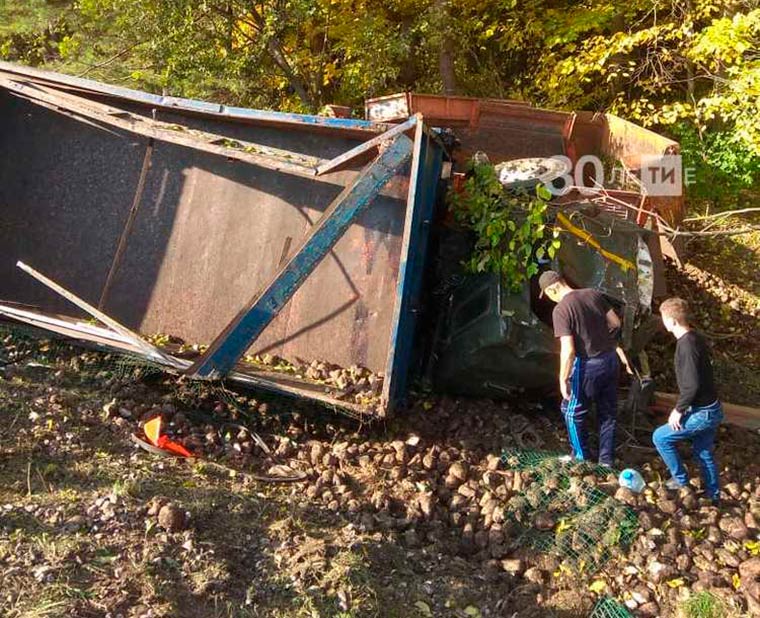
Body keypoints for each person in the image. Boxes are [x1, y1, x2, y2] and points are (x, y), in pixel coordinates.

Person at [539, 270, 630, 466]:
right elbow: (615, 322)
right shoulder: (593, 294)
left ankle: (581, 459)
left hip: (588, 365)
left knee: (572, 412)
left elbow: (569, 350)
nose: (549, 298)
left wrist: (562, 378)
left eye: (547, 294)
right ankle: (606, 461)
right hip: (610, 360)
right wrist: (608, 342)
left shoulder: (561, 310)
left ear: (553, 289)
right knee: (608, 413)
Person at [652, 297, 723, 504]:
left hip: (703, 413)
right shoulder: (695, 337)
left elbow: (692, 384)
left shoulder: (687, 346)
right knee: (703, 451)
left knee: (660, 437)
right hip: (711, 408)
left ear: (672, 321)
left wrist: (679, 410)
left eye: (664, 318)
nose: (663, 322)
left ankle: (681, 481)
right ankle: (713, 496)